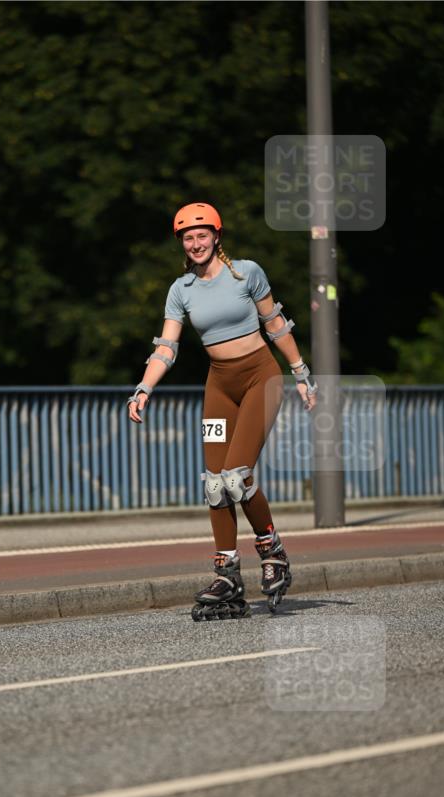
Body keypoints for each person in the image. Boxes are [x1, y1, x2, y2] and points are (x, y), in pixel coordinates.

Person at [126, 202, 317, 619]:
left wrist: (301, 372)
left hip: (260, 380)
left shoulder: (246, 272)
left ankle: (272, 550)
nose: (195, 243)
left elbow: (276, 324)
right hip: (219, 387)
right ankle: (227, 572)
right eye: (188, 238)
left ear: (217, 236)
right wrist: (144, 388)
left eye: (202, 235)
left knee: (237, 476)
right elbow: (167, 347)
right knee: (215, 483)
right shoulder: (181, 290)